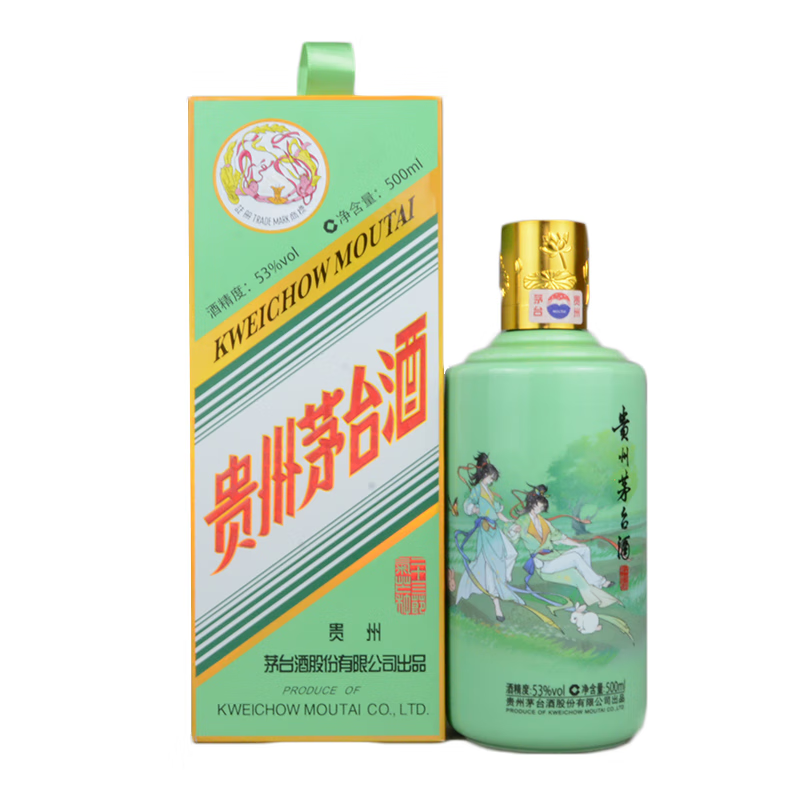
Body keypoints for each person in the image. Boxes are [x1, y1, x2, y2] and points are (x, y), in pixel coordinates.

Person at [509, 485, 620, 609]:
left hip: (553, 556)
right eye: (536, 506)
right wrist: (514, 530)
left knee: (584, 549)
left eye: (541, 507)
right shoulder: (523, 521)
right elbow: (512, 534)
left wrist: (578, 544)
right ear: (531, 504)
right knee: (574, 557)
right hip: (543, 563)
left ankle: (590, 580)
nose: (538, 510)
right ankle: (599, 582)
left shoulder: (544, 522)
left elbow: (561, 538)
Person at [455, 453, 522, 621]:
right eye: (491, 478)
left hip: (495, 530)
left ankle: (504, 580)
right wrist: (475, 509)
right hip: (486, 532)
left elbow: (497, 513)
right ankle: (497, 608)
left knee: (511, 553)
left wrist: (509, 522)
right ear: (485, 475)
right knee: (490, 568)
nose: (492, 481)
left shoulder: (489, 493)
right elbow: (467, 504)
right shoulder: (477, 490)